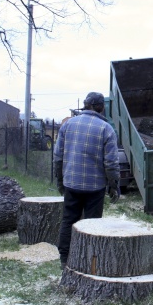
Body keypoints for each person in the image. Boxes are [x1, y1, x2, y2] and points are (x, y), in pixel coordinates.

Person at [54, 92, 120, 269]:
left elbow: (58, 157)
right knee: (92, 224)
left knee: (68, 220)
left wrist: (60, 180)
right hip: (95, 187)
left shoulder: (68, 125)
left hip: (71, 183)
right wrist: (113, 186)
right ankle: (90, 259)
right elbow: (111, 163)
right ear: (101, 107)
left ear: (85, 105)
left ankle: (64, 259)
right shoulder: (106, 129)